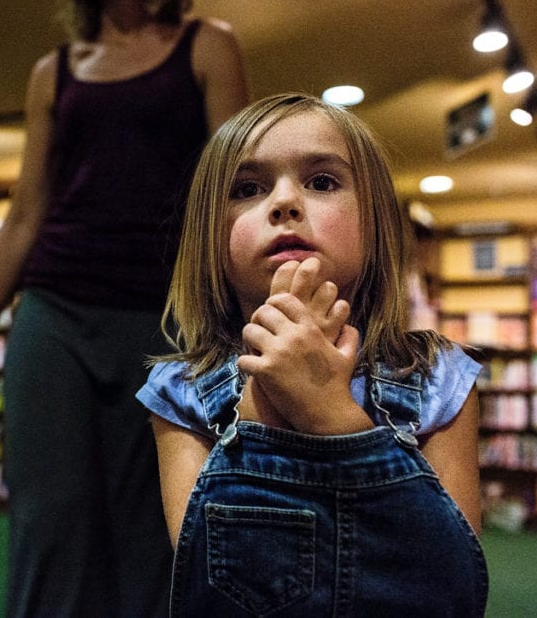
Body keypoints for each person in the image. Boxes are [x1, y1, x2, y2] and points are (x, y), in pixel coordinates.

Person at [0, 0, 249, 615]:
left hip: (165, 319)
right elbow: (25, 214)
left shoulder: (208, 45)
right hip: (54, 310)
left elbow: (231, 192)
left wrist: (239, 318)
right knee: (51, 518)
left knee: (153, 526)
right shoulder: (54, 71)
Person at [137, 93, 488, 615]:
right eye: (247, 189)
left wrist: (328, 409)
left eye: (322, 182)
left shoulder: (440, 377)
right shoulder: (180, 391)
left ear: (374, 224)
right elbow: (214, 590)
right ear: (211, 233)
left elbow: (450, 588)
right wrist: (268, 391)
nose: (284, 203)